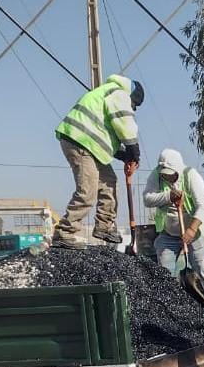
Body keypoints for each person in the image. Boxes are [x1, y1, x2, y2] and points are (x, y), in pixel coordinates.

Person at [53, 74, 143, 248]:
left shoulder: (106, 93)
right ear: (133, 98)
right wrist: (134, 150)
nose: (133, 109)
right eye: (134, 106)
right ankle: (64, 232)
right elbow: (124, 123)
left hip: (87, 142)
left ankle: (105, 226)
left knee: (109, 182)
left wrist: (125, 155)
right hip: (79, 140)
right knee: (88, 190)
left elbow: (102, 134)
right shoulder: (119, 94)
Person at [142, 149, 204, 298]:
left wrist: (191, 230)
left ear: (178, 169)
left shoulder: (191, 176)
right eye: (164, 174)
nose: (166, 177)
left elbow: (202, 208)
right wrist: (168, 196)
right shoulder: (156, 175)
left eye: (170, 174)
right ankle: (170, 308)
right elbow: (147, 199)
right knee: (164, 275)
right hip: (168, 234)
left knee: (201, 271)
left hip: (194, 233)